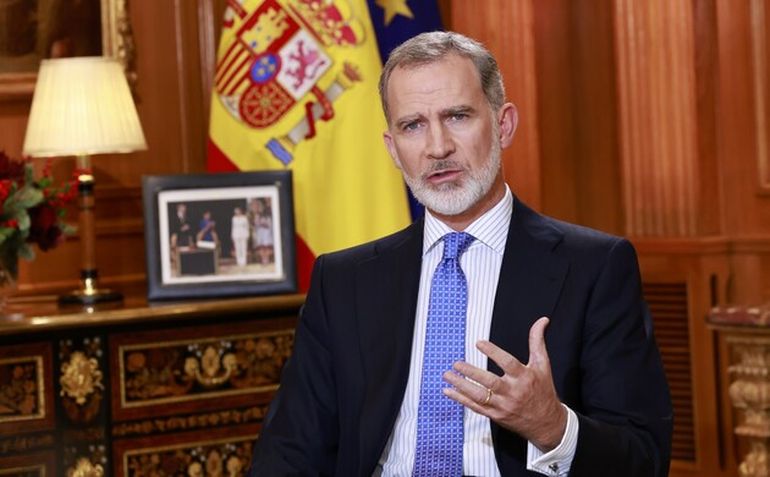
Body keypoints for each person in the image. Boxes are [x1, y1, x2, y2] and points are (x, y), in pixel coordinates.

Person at [250, 32, 672, 476]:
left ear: (504, 124)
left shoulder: (595, 268)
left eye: (457, 116)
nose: (437, 147)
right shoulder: (343, 281)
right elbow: (289, 452)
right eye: (412, 125)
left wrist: (552, 426)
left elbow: (643, 459)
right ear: (393, 149)